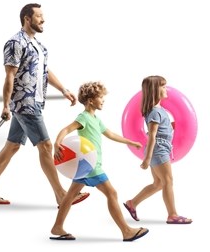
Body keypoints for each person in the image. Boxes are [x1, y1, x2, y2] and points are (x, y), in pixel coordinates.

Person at [0, 3, 89, 207]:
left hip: (35, 102)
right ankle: (61, 195)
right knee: (46, 145)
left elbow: (44, 71)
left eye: (42, 16)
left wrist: (63, 89)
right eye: (39, 16)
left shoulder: (39, 46)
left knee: (12, 147)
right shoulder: (15, 42)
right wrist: (5, 105)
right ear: (27, 19)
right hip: (23, 103)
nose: (43, 20)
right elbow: (9, 75)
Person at [50, 81, 149, 242]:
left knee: (69, 196)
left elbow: (110, 134)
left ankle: (57, 227)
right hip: (90, 166)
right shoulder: (84, 117)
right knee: (112, 193)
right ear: (90, 100)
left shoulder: (96, 119)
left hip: (83, 165)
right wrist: (57, 142)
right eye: (101, 97)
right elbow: (67, 129)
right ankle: (126, 231)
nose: (103, 100)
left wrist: (130, 142)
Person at [123, 76, 192, 224]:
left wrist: (170, 126)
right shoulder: (154, 112)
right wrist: (146, 159)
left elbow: (160, 130)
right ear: (155, 90)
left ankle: (132, 203)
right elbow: (152, 136)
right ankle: (172, 215)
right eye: (163, 86)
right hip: (158, 149)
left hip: (160, 147)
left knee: (158, 183)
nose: (166, 89)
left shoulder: (158, 110)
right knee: (168, 181)